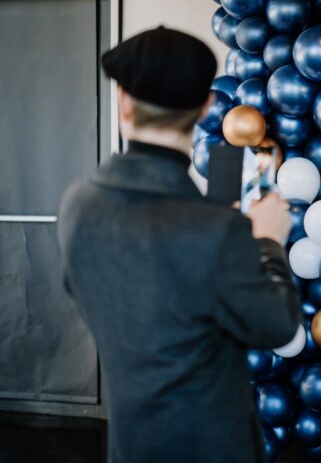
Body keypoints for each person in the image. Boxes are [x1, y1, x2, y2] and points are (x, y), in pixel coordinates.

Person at [57, 27, 301, 463]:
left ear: (123, 102)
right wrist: (266, 241)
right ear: (205, 107)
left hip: (131, 445)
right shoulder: (215, 231)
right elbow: (278, 325)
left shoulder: (78, 204)